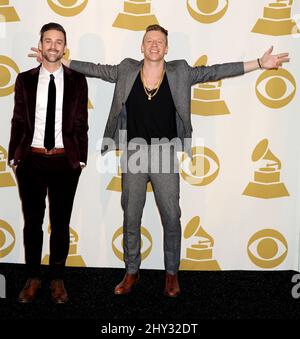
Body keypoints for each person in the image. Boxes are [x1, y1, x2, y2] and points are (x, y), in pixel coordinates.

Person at [30, 24, 289, 297]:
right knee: (131, 217)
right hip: (134, 153)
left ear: (166, 48)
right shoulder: (126, 69)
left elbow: (215, 71)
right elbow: (94, 68)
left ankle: (171, 274)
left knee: (172, 218)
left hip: (165, 153)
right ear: (141, 47)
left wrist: (260, 63)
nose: (154, 45)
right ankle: (132, 272)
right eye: (149, 41)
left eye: (160, 42)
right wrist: (59, 59)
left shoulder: (180, 71)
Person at [9, 22, 88, 304]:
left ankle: (56, 278)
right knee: (33, 223)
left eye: (59, 41)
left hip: (65, 163)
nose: (53, 46)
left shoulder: (78, 80)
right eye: (48, 40)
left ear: (65, 47)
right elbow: (18, 120)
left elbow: (81, 123)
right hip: (31, 160)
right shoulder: (25, 79)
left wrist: (80, 159)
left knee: (61, 224)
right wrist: (14, 156)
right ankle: (33, 277)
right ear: (40, 45)